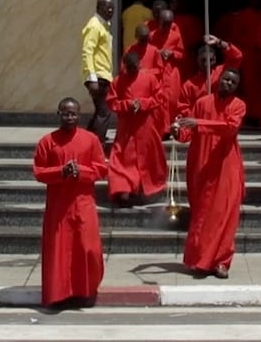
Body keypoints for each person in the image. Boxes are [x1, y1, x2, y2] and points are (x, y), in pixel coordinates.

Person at [32, 98, 108, 308]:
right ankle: (59, 294)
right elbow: (39, 172)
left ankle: (85, 291)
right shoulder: (48, 141)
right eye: (65, 113)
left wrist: (80, 172)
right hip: (58, 207)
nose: (69, 117)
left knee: (87, 248)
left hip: (83, 203)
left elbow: (101, 168)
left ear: (79, 115)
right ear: (58, 114)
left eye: (73, 113)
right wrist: (61, 172)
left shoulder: (91, 140)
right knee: (59, 251)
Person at [173, 68, 246, 279]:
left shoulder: (238, 106)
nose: (228, 84)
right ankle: (200, 259)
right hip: (201, 164)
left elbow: (230, 127)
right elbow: (188, 133)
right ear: (218, 80)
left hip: (225, 165)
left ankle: (221, 261)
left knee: (224, 215)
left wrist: (199, 123)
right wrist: (178, 130)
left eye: (233, 82)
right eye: (226, 80)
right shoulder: (202, 103)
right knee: (202, 214)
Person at [105, 52, 167, 206]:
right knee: (123, 161)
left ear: (140, 65)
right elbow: (112, 103)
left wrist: (143, 103)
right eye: (129, 68)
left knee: (147, 159)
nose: (132, 70)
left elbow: (159, 98)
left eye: (135, 67)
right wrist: (128, 104)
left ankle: (143, 190)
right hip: (126, 128)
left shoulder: (150, 79)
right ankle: (124, 189)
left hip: (145, 127)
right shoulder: (118, 82)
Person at [177, 35, 243, 120]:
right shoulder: (189, 85)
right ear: (197, 59)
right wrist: (200, 118)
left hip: (221, 120)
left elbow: (237, 57)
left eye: (210, 60)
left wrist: (220, 42)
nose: (207, 64)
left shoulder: (222, 72)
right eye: (203, 60)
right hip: (200, 125)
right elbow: (183, 108)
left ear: (215, 59)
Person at [81, 0, 115, 144]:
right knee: (104, 112)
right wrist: (92, 77)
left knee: (100, 111)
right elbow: (87, 51)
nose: (111, 10)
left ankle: (87, 138)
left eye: (112, 8)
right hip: (98, 76)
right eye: (107, 7)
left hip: (104, 75)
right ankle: (97, 142)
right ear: (99, 8)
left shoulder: (103, 26)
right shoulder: (94, 26)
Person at [147, 10, 186, 133]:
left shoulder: (176, 36)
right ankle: (160, 128)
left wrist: (172, 53)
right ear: (159, 22)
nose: (166, 27)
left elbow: (182, 54)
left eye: (169, 24)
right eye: (164, 23)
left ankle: (169, 127)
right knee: (158, 100)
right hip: (156, 73)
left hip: (171, 72)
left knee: (171, 100)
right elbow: (146, 52)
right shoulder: (152, 36)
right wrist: (158, 53)